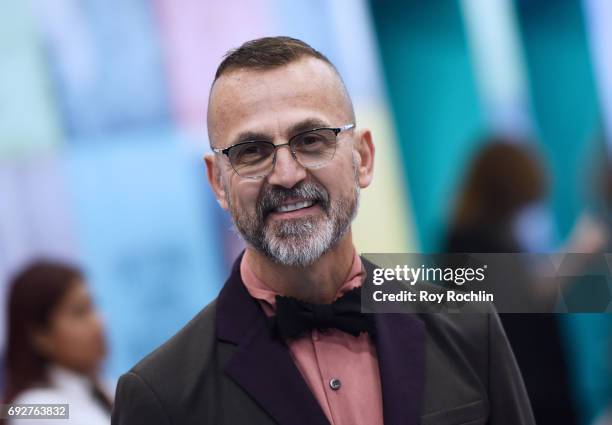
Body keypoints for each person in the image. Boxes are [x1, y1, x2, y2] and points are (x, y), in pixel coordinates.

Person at [112, 36, 534, 425]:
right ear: (218, 182)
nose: (286, 174)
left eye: (311, 140)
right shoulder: (161, 398)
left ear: (363, 158)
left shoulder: (468, 327)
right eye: (252, 151)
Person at [444, 139, 579, 425]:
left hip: (534, 380)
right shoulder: (468, 243)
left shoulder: (493, 236)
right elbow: (520, 299)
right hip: (523, 384)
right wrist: (577, 255)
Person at [1, 261, 111, 425]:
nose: (98, 322)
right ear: (40, 336)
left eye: (93, 307)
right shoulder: (35, 408)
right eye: (79, 312)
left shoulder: (109, 389)